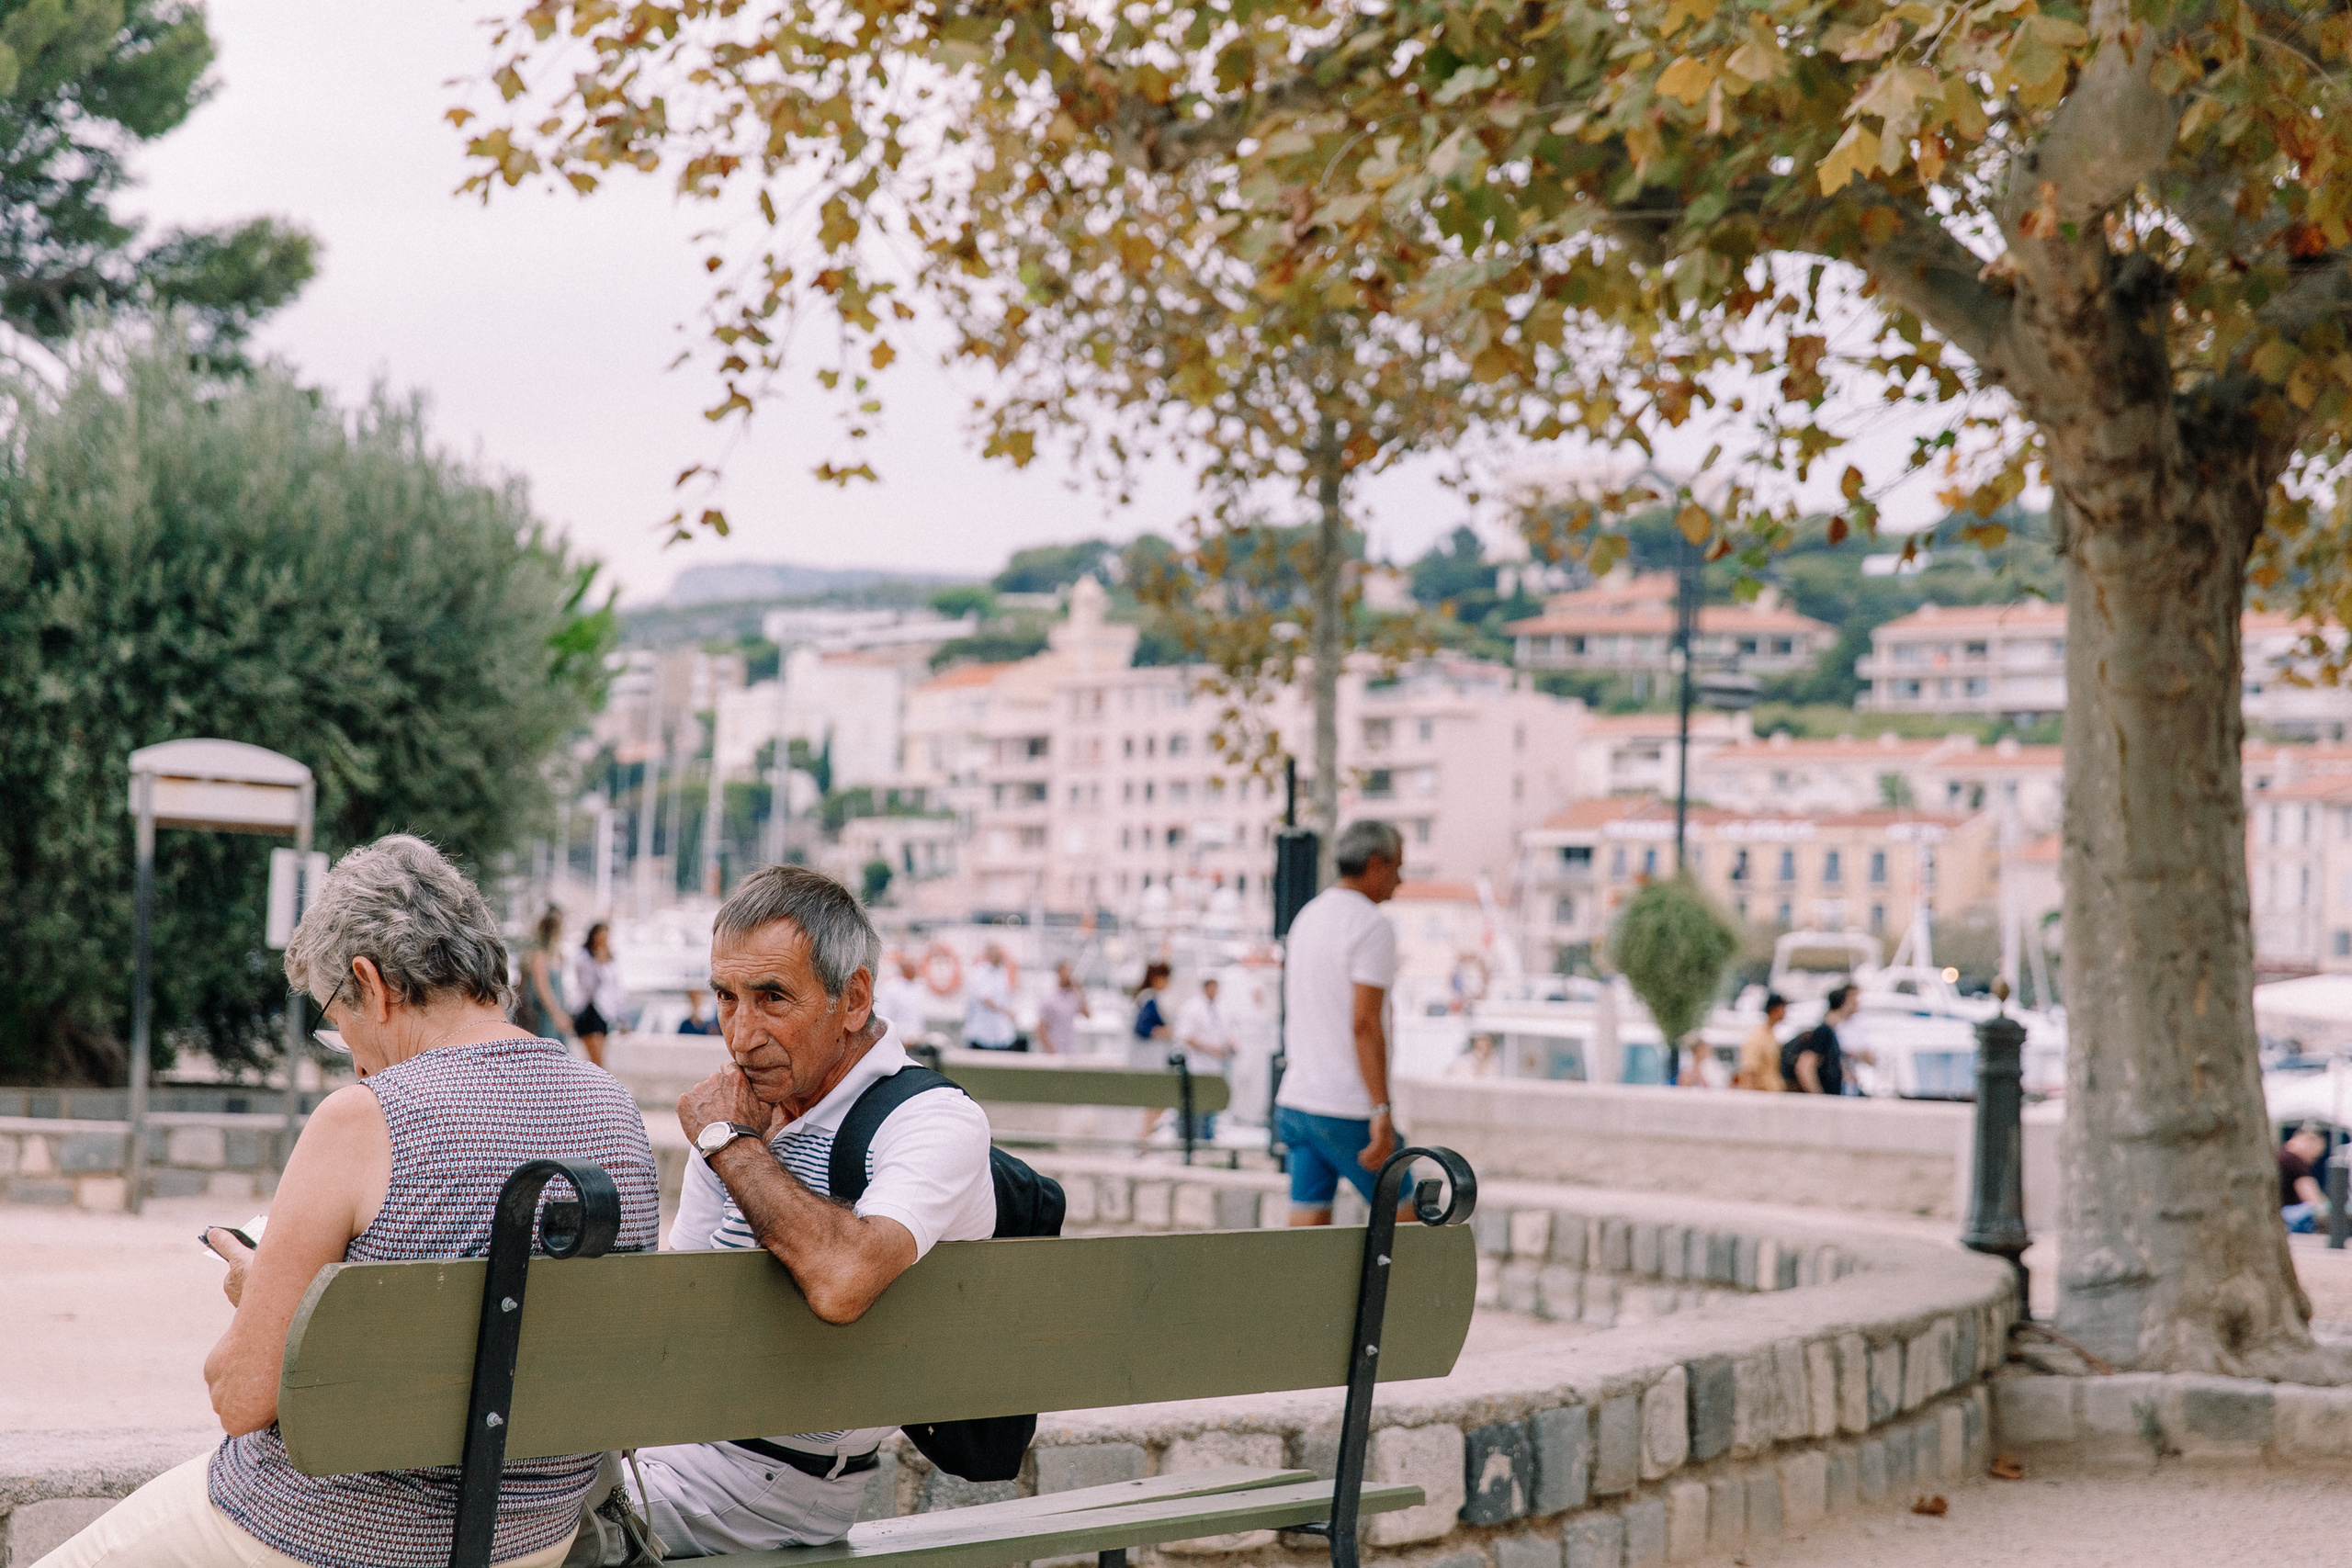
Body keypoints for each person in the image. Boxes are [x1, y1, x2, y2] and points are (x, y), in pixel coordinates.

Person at [36, 835, 662, 1568]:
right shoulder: (615, 1110)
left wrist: (262, 1289)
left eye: (338, 1017)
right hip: (532, 1540)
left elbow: (240, 1399)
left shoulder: (364, 1117)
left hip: (326, 1537)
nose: (354, 1054)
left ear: (373, 980)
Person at [634, 865, 995, 1559]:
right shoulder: (746, 1116)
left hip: (771, 1486)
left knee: (500, 1530)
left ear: (853, 997)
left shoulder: (932, 1119)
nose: (741, 1035)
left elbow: (842, 1278)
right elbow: (678, 1307)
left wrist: (728, 1144)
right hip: (687, 1449)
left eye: (772, 997)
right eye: (726, 997)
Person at [1273, 819, 1407, 1224]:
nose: (1399, 881)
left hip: (1298, 1101)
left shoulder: (1308, 917)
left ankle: (1301, 1292)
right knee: (1413, 1223)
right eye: (1397, 867)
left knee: (1308, 1239)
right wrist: (1381, 1111)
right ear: (1376, 863)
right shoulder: (1371, 925)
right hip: (1344, 1107)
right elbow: (1365, 1023)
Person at [1170, 976, 1234, 1142]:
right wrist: (1212, 1049)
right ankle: (1190, 1140)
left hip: (1214, 1066)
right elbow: (1185, 1036)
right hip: (1196, 1065)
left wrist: (1229, 1045)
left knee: (1210, 1107)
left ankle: (1206, 1139)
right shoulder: (1192, 1008)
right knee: (1194, 1107)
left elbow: (1226, 1033)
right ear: (1207, 987)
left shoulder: (1220, 1009)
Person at [1783, 984, 1869, 1095]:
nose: (1857, 1003)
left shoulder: (1831, 1032)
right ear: (1843, 1003)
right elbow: (1805, 1066)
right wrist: (1819, 1098)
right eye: (1853, 999)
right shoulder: (1824, 1032)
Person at [571, 921, 627, 1068]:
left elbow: (615, 989)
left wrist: (620, 1016)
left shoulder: (611, 959)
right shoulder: (584, 958)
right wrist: (598, 964)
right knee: (596, 1060)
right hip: (588, 1010)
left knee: (599, 1059)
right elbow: (587, 986)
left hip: (604, 1012)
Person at [521, 905, 573, 1043]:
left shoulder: (557, 955)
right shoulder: (539, 955)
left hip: (556, 1011)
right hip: (544, 1014)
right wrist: (557, 1014)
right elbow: (542, 987)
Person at [963, 942, 1021, 1051]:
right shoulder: (979, 972)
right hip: (981, 1034)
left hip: (1000, 1035)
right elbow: (985, 999)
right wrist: (1006, 1011)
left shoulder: (1001, 972)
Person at [2281, 1123, 2331, 1234]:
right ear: (2310, 1143)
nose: (2314, 1160)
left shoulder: (2280, 1154)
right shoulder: (2294, 1161)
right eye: (2316, 1153)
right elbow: (2313, 1200)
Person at [873, 953, 932, 1043]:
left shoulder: (917, 988)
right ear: (904, 969)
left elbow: (918, 1020)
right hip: (897, 1039)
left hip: (916, 1039)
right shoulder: (891, 988)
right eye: (911, 966)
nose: (915, 969)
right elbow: (883, 1017)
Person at [1735, 994, 1788, 1091]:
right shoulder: (1758, 1035)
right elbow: (1750, 1069)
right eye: (1783, 1008)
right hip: (1761, 1095)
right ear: (1774, 1009)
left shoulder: (1772, 1035)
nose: (1786, 1013)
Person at [1035, 960, 1089, 1055]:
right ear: (1059, 972)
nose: (1070, 975)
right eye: (1067, 971)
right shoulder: (1049, 998)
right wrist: (1050, 1050)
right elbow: (1040, 1027)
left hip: (1070, 1050)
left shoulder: (1073, 997)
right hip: (1054, 1049)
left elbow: (1087, 1015)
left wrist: (1080, 991)